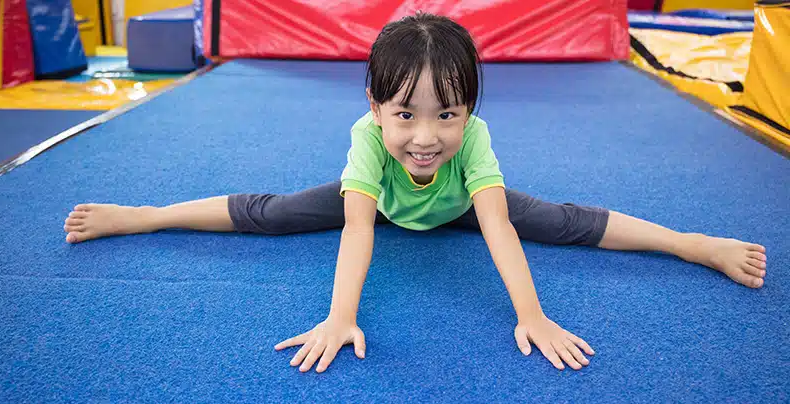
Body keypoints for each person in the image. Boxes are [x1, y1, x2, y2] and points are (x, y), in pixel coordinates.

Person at [62, 12, 767, 374]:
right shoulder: (367, 143)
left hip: (456, 208)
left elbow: (498, 227)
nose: (425, 136)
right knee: (271, 214)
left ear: (469, 111)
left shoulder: (474, 146)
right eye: (405, 115)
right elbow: (359, 229)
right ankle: (143, 216)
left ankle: (692, 244)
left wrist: (534, 315)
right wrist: (340, 317)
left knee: (561, 220)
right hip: (379, 203)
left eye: (447, 115)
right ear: (374, 106)